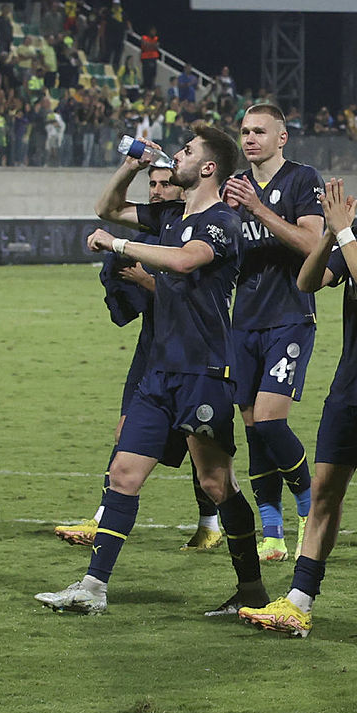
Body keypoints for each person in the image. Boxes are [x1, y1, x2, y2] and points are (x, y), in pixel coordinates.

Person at [36, 124, 268, 616]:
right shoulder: (169, 213)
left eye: (186, 152)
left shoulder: (222, 221)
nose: (175, 158)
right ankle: (93, 588)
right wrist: (131, 166)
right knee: (122, 474)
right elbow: (108, 209)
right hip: (159, 373)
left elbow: (185, 262)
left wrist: (119, 247)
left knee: (215, 484)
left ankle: (251, 591)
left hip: (204, 371)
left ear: (208, 167)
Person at [239, 133, 357, 639]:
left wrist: (344, 235)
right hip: (348, 387)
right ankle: (300, 601)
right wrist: (331, 233)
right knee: (326, 490)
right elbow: (307, 283)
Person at [54, 166, 225, 551]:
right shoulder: (157, 226)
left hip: (198, 353)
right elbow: (107, 208)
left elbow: (195, 290)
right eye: (152, 184)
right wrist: (130, 165)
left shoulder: (207, 225)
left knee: (202, 449)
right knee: (126, 430)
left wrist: (148, 281)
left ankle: (216, 524)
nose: (157, 191)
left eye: (166, 183)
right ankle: (102, 521)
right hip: (154, 348)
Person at [223, 103, 325, 561]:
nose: (250, 139)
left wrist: (258, 209)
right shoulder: (233, 189)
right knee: (252, 430)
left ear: (281, 138)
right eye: (245, 131)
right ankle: (272, 530)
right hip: (243, 321)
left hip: (289, 318)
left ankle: (310, 508)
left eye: (260, 131)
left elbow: (313, 244)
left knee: (269, 420)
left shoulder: (303, 180)